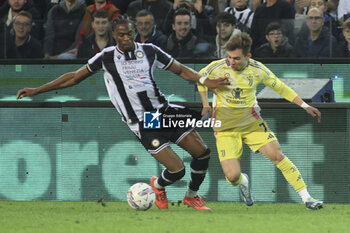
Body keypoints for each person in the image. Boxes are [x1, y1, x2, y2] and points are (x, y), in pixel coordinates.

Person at [17, 15, 230, 210]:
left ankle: (191, 196)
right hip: (143, 123)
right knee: (178, 171)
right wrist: (37, 90)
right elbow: (73, 77)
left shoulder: (150, 51)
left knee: (203, 153)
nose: (126, 38)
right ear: (114, 35)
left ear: (134, 32)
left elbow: (182, 70)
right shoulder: (106, 57)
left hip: (164, 113)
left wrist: (206, 81)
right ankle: (158, 185)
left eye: (129, 33)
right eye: (121, 34)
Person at [197, 32, 324, 210]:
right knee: (233, 177)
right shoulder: (217, 67)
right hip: (225, 128)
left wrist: (304, 105)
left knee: (277, 155)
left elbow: (281, 87)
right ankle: (244, 181)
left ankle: (307, 198)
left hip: (251, 123)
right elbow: (199, 79)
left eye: (236, 58)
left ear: (248, 56)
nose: (231, 62)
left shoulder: (258, 70)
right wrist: (205, 105)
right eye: (229, 57)